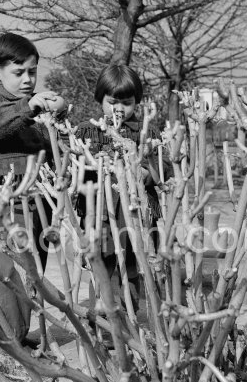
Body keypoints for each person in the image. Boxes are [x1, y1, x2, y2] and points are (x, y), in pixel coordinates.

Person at [0, 32, 65, 346]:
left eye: (32, 72)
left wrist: (59, 114)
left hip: (39, 207)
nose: (27, 79)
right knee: (6, 273)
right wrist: (29, 108)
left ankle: (21, 335)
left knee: (32, 273)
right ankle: (9, 337)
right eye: (19, 72)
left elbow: (53, 149)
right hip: (6, 209)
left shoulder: (36, 108)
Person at [75, 64, 163, 310]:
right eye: (113, 102)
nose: (119, 109)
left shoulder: (145, 131)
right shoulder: (87, 131)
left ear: (137, 101)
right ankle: (105, 323)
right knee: (103, 265)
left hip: (135, 216)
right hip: (100, 213)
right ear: (100, 99)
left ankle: (129, 321)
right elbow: (74, 166)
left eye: (127, 102)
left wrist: (146, 173)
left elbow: (161, 167)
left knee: (133, 266)